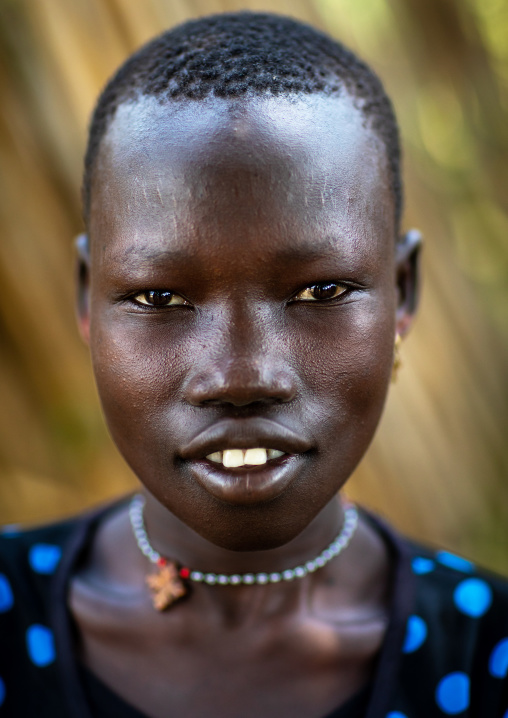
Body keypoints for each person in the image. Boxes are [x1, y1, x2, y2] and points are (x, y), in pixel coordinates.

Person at [0, 11, 507, 718]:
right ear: (89, 300)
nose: (241, 375)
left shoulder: (490, 656)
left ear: (404, 294)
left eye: (321, 291)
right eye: (158, 296)